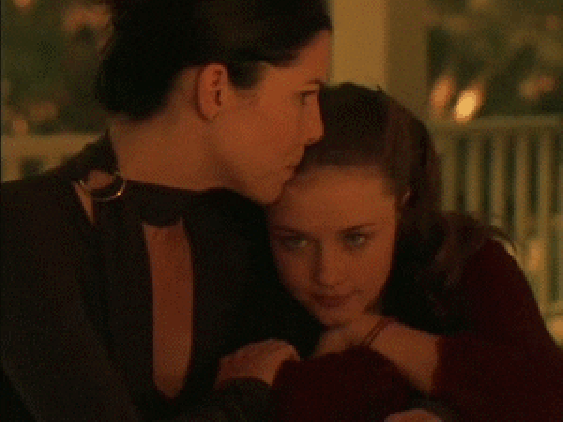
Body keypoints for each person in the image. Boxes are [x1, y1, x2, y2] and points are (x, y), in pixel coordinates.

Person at [1, 1, 332, 420]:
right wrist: (245, 394)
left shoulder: (248, 227)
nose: (316, 129)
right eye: (304, 96)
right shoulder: (23, 228)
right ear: (215, 89)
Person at [223, 83, 563, 421]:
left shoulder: (462, 260)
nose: (327, 274)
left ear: (402, 208)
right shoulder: (240, 284)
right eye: (294, 242)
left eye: (356, 239)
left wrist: (373, 333)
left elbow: (547, 394)